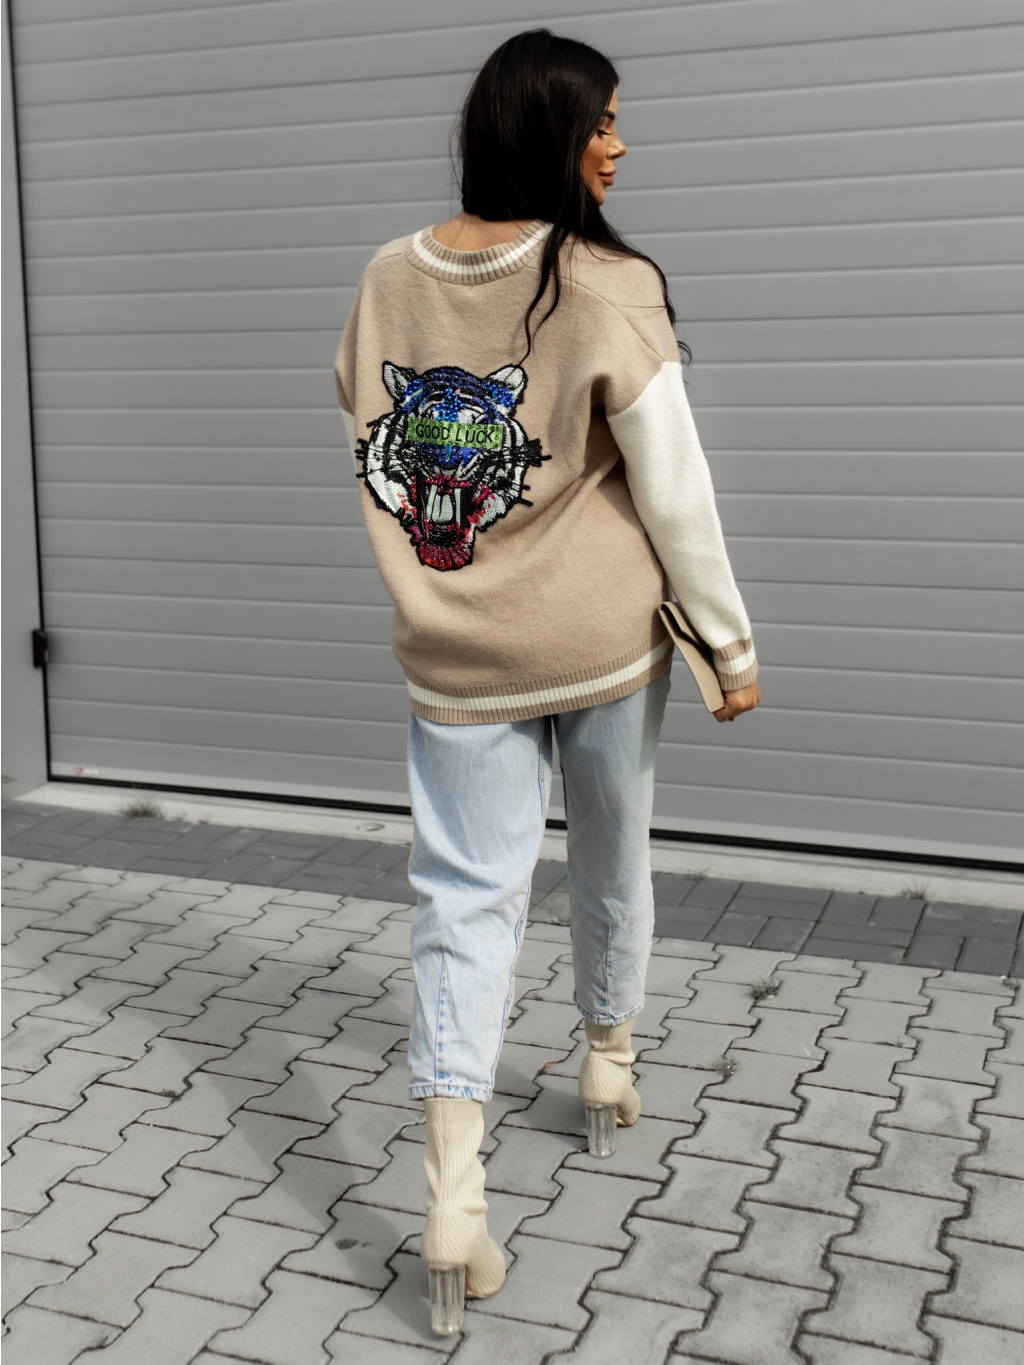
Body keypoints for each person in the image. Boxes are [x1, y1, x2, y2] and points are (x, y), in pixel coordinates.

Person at [333, 28, 760, 1335]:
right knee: (611, 855)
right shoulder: (606, 282)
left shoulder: (386, 279)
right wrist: (729, 644)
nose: (621, 146)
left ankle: (453, 1200)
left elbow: (371, 445)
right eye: (604, 122)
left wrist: (440, 581)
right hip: (601, 643)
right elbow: (676, 493)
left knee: (462, 901)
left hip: (456, 651)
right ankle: (608, 1059)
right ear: (551, 132)